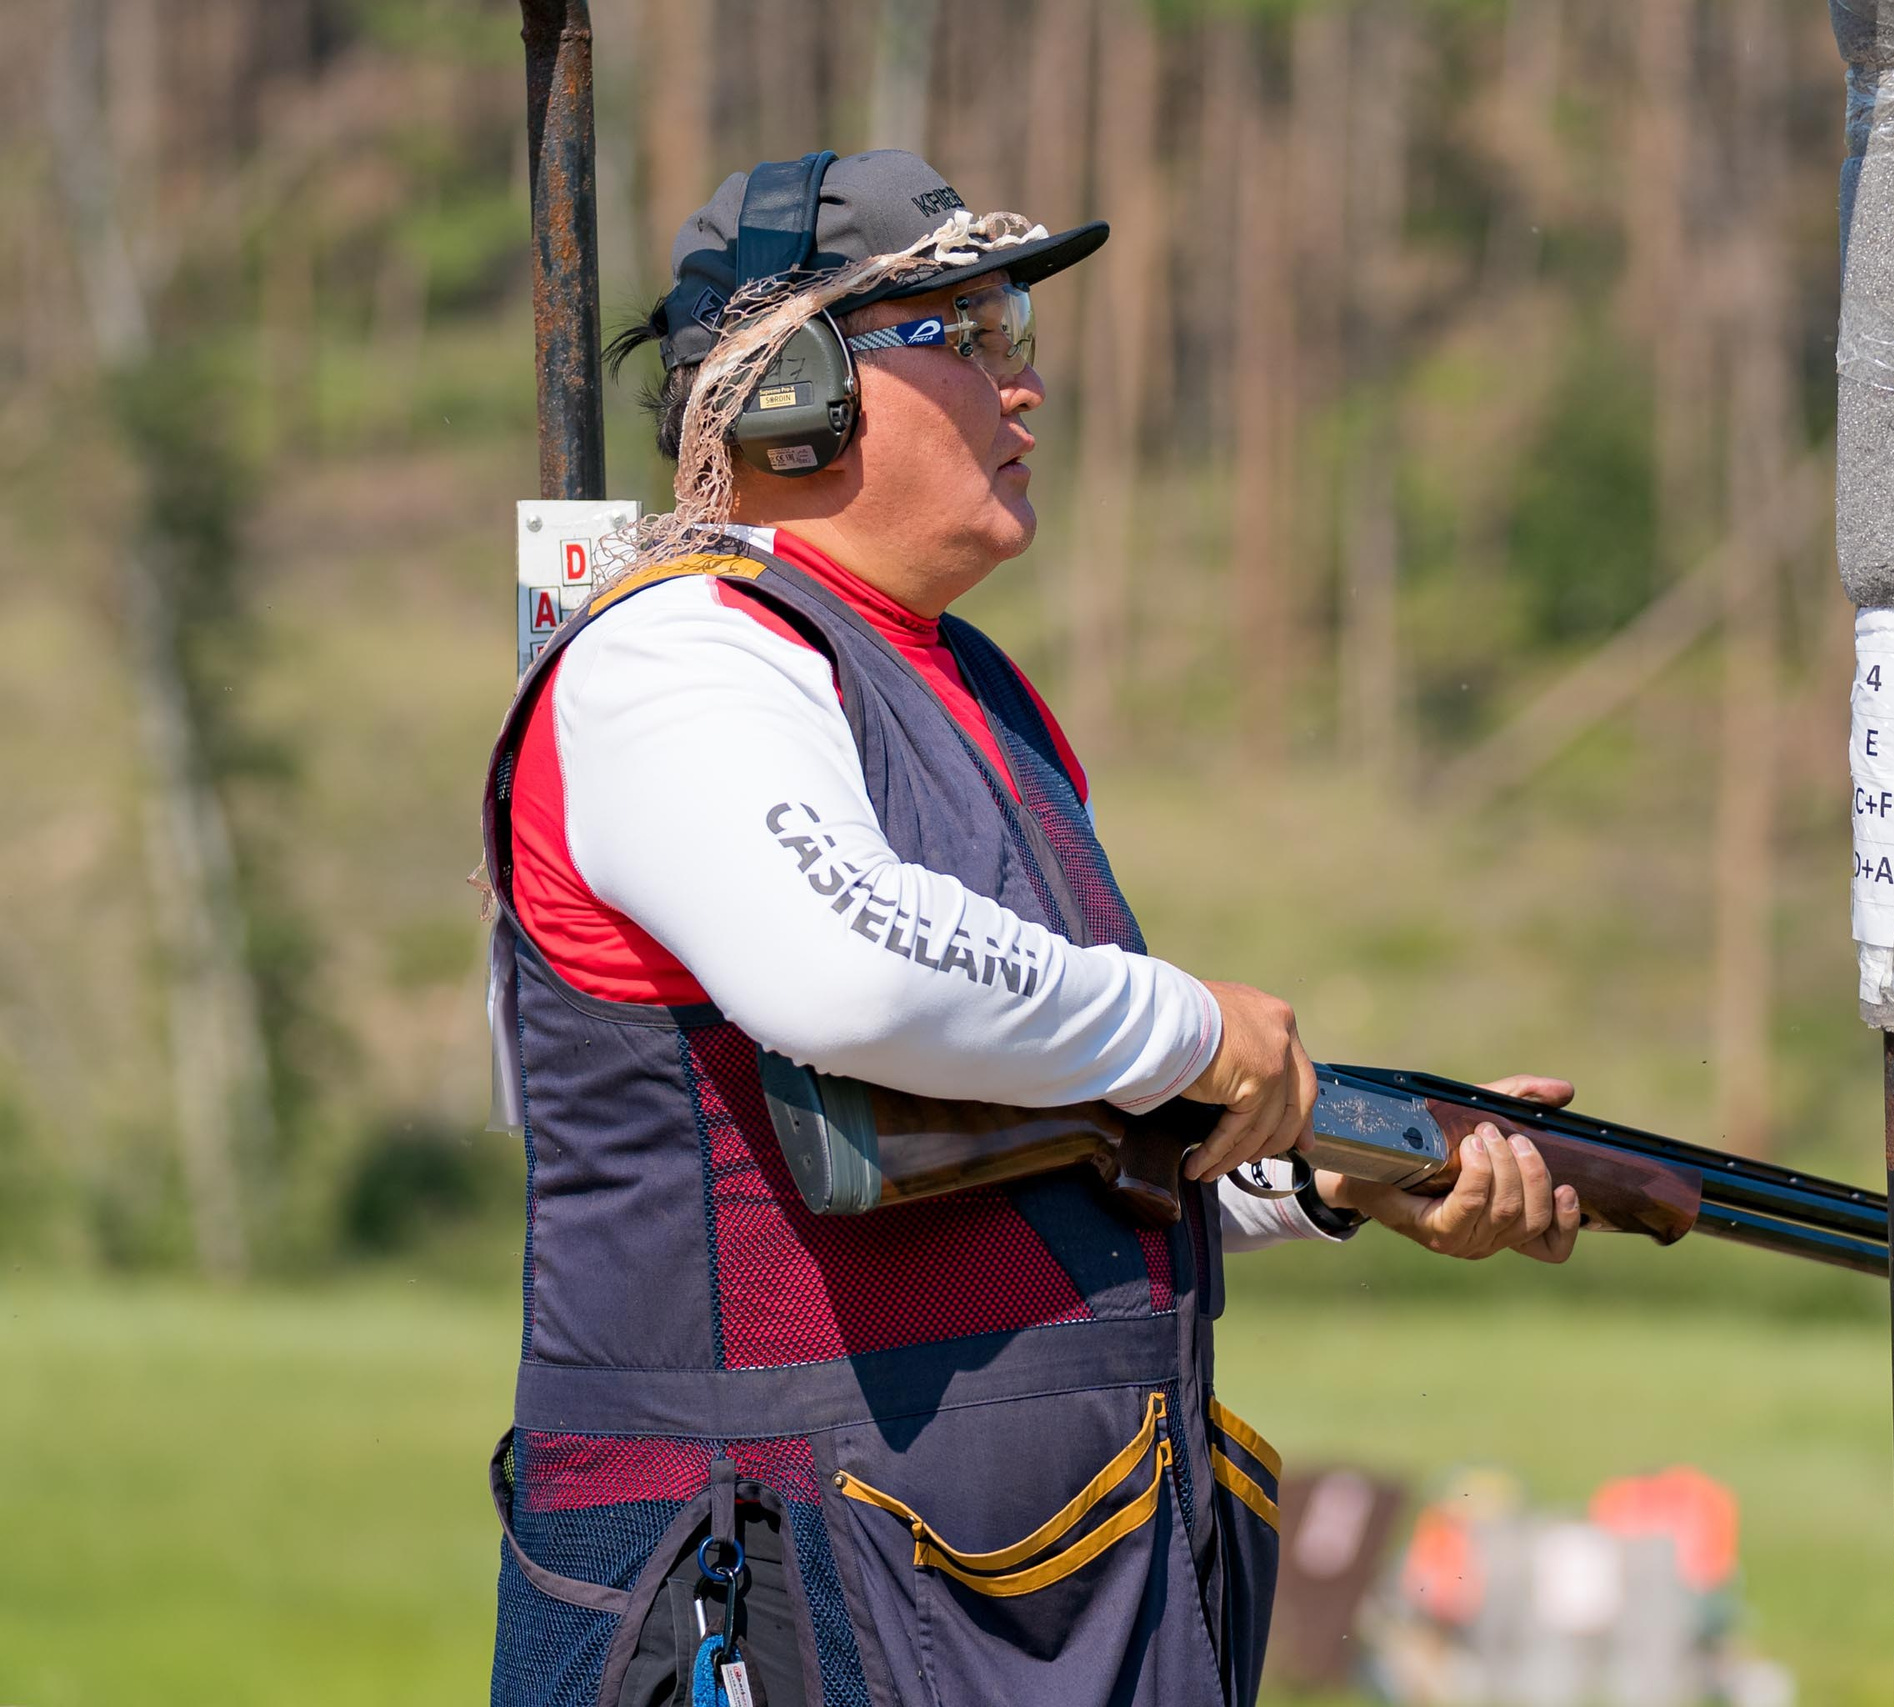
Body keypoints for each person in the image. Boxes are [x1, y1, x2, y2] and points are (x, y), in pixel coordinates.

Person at [482, 148, 1579, 1707]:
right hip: (781, 1600)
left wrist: (1324, 1163)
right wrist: (1199, 1031)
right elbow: (846, 972)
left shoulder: (962, 684)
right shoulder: (676, 657)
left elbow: (1015, 1130)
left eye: (1020, 337)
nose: (1026, 387)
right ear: (796, 392)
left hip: (1019, 1587)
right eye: (969, 337)